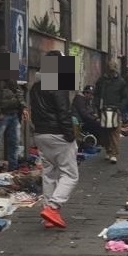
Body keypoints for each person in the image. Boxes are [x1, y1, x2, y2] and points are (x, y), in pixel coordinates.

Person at [30, 50, 78, 229]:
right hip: (58, 133)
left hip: (41, 134)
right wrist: (70, 135)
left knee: (49, 173)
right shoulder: (58, 84)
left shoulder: (35, 86)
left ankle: (47, 215)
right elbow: (63, 112)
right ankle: (53, 207)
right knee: (70, 174)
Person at [0, 50, 28, 171]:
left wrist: (23, 107)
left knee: (14, 142)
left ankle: (13, 167)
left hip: (14, 113)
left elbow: (18, 92)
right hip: (2, 114)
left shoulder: (11, 75)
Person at [95, 59, 127, 163]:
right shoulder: (101, 81)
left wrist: (120, 107)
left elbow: (125, 97)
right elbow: (97, 94)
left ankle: (114, 153)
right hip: (104, 109)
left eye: (113, 71)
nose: (111, 73)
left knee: (114, 132)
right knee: (105, 132)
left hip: (115, 109)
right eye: (110, 70)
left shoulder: (121, 82)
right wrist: (98, 107)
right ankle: (108, 150)